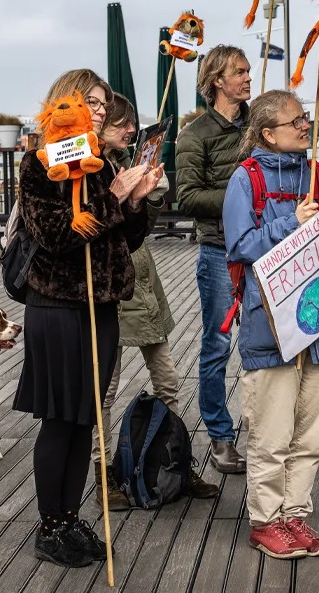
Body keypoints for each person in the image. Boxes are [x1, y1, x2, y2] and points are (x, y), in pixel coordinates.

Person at [14, 70, 162, 569]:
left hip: (101, 308)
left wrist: (136, 202)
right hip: (56, 308)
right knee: (60, 421)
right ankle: (50, 524)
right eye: (90, 101)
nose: (100, 109)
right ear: (64, 103)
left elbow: (123, 242)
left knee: (87, 420)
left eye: (103, 103)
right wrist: (115, 196)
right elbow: (56, 235)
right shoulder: (40, 163)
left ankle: (70, 517)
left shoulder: (101, 164)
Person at [223, 90, 319, 559]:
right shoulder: (246, 178)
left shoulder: (318, 174)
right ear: (267, 133)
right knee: (271, 433)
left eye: (306, 119)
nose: (305, 126)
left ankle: (295, 516)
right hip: (269, 323)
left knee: (311, 434)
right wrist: (289, 225)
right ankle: (266, 520)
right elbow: (239, 245)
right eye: (296, 121)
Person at [90, 93, 219, 508]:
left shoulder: (121, 162)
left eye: (132, 124)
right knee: (104, 390)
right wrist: (119, 196)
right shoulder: (90, 168)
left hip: (141, 280)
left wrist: (145, 196)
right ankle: (103, 474)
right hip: (109, 286)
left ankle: (174, 463)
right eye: (122, 123)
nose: (131, 131)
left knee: (167, 379)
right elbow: (93, 227)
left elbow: (138, 231)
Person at [176, 45, 253, 474]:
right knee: (217, 346)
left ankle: (263, 428)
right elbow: (187, 198)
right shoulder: (194, 135)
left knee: (265, 342)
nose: (246, 78)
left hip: (263, 249)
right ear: (216, 81)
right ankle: (221, 437)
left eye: (247, 71)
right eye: (238, 72)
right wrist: (243, 197)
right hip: (219, 252)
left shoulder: (258, 125)